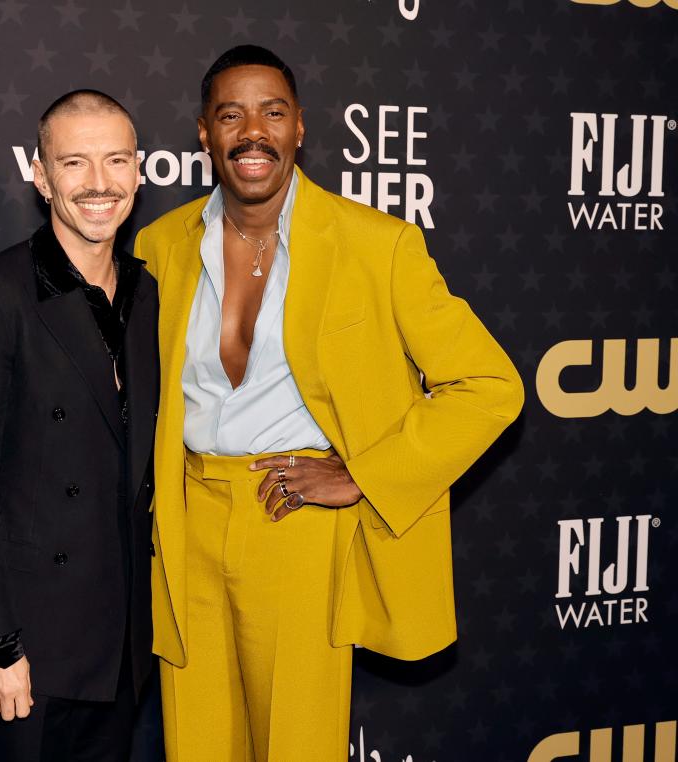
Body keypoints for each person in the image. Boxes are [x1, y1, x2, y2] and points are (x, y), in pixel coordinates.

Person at [134, 46, 524, 762]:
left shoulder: (377, 246)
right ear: (203, 133)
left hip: (296, 527)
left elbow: (490, 387)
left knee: (296, 744)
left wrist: (365, 473)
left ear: (300, 129)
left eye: (273, 112)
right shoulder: (158, 247)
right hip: (186, 525)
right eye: (232, 114)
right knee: (195, 744)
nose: (254, 131)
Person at [0, 89, 158, 762]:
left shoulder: (149, 295)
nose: (98, 184)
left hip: (120, 645)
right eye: (75, 163)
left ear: (140, 171)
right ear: (40, 175)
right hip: (29, 647)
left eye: (116, 160)